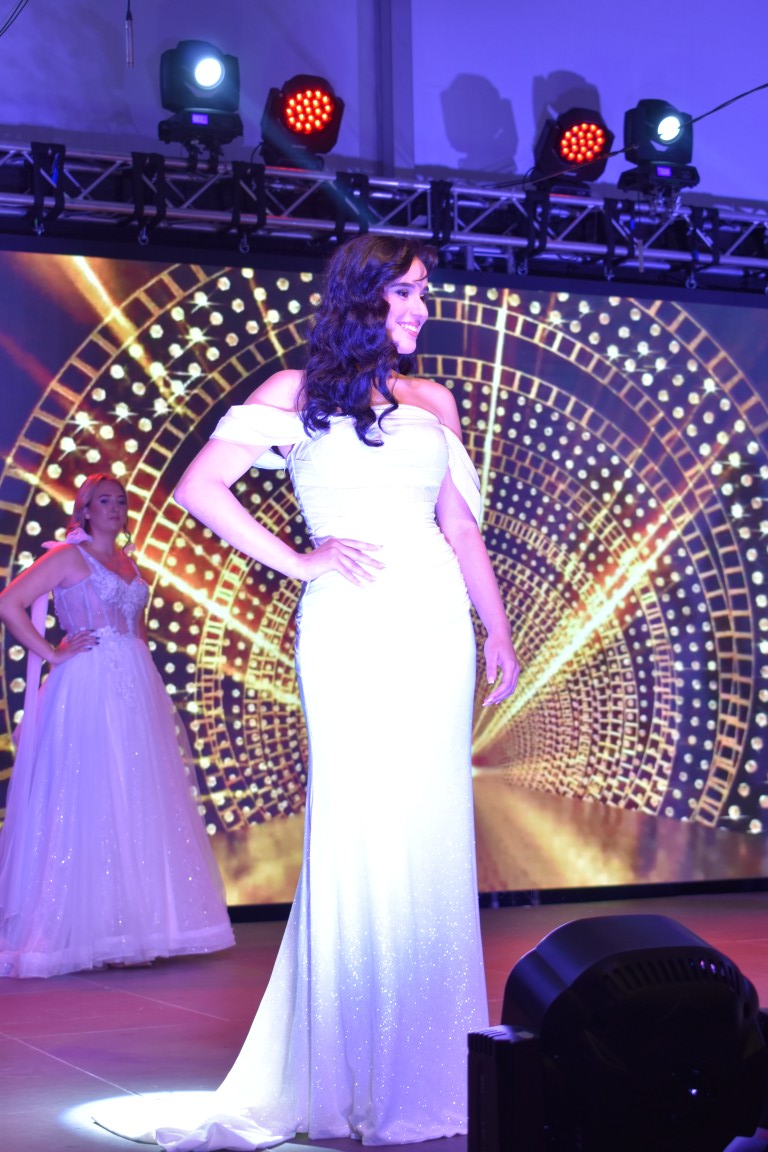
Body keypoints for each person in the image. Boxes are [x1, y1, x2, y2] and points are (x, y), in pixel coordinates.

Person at [95, 234, 520, 1149]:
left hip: (434, 622)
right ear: (362, 297)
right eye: (404, 294)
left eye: (424, 294)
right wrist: (299, 559)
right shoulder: (293, 394)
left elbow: (461, 530)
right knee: (357, 825)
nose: (421, 310)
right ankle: (348, 1074)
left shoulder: (432, 402)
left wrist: (499, 630)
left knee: (431, 826)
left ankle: (427, 1071)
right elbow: (201, 487)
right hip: (347, 624)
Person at [0, 474, 235, 978]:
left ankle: (134, 927)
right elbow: (8, 602)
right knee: (89, 793)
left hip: (134, 681)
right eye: (104, 500)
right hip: (88, 683)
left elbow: (139, 632)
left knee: (137, 794)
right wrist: (51, 653)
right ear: (85, 510)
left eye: (121, 500)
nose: (115, 507)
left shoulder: (130, 563)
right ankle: (77, 932)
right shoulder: (67, 557)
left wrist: (149, 684)